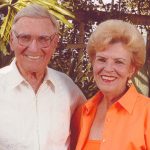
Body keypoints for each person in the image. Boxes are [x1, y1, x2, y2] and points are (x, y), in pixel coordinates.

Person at [0, 3, 85, 150]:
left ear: (55, 42)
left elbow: (86, 135)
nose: (34, 48)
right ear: (11, 40)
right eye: (25, 38)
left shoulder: (67, 88)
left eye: (43, 39)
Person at [71, 19, 150, 150]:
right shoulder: (83, 112)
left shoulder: (147, 113)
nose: (108, 68)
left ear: (132, 69)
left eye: (119, 62)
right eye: (101, 59)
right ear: (93, 62)